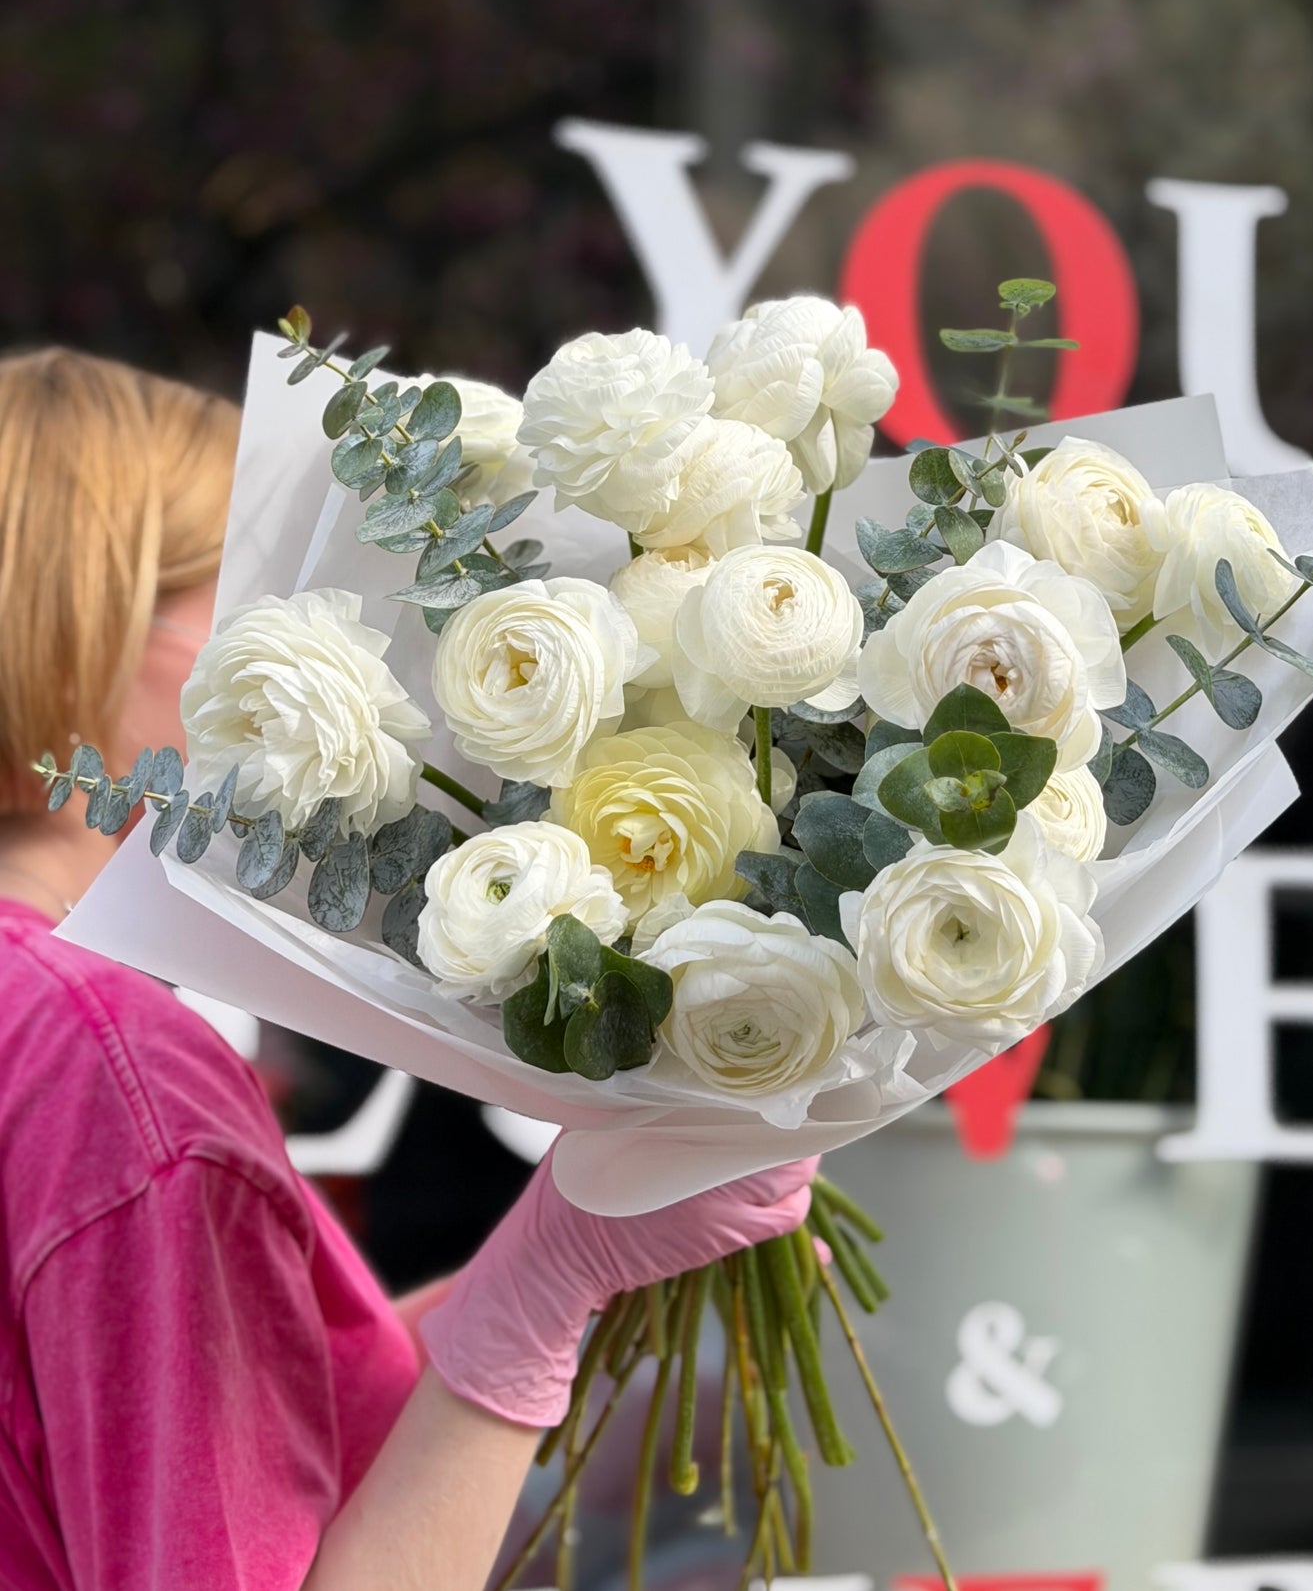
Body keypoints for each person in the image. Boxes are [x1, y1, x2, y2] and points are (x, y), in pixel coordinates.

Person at [0, 347, 816, 1591]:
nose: (295, 630)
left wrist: (544, 1284)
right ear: (93, 618)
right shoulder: (113, 1076)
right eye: (248, 593)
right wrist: (548, 1280)